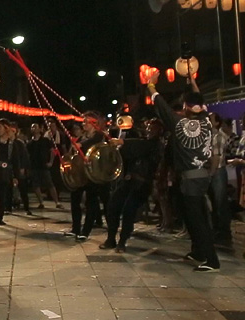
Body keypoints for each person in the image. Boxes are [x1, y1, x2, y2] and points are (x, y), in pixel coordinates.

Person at [146, 72, 220, 272]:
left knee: (197, 220)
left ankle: (212, 260)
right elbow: (198, 99)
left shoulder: (179, 124)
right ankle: (198, 251)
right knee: (194, 216)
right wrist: (194, 83)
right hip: (201, 176)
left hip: (190, 179)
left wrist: (151, 85)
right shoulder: (206, 121)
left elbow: (159, 103)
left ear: (186, 107)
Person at [99, 118, 162, 252]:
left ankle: (122, 241)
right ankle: (111, 239)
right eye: (149, 127)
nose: (149, 130)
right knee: (113, 206)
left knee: (129, 210)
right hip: (129, 180)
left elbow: (144, 147)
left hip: (142, 184)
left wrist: (122, 142)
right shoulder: (143, 141)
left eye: (153, 128)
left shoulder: (156, 145)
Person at [66, 112, 108, 241]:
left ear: (94, 123)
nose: (83, 124)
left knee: (92, 202)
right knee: (75, 200)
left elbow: (93, 143)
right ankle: (76, 228)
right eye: (83, 121)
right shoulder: (81, 138)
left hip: (95, 174)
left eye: (86, 121)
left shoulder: (100, 136)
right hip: (81, 174)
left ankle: (86, 230)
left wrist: (81, 145)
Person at [0, 119, 31, 225]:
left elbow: (16, 161)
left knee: (2, 196)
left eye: (0, 127)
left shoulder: (12, 144)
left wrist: (16, 176)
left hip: (5, 173)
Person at [208, 113, 231, 249]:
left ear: (217, 123)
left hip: (217, 172)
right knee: (215, 202)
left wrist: (211, 173)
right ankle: (217, 230)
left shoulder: (217, 137)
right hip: (213, 172)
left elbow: (216, 158)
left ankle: (224, 233)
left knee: (220, 202)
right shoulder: (210, 136)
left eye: (211, 119)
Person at [27, 122, 63, 209]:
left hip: (44, 165)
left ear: (40, 129)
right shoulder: (30, 142)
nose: (33, 129)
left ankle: (57, 202)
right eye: (32, 127)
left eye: (35, 127)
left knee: (50, 184)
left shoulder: (45, 140)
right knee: (36, 185)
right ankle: (41, 202)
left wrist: (51, 162)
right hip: (34, 166)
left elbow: (53, 151)